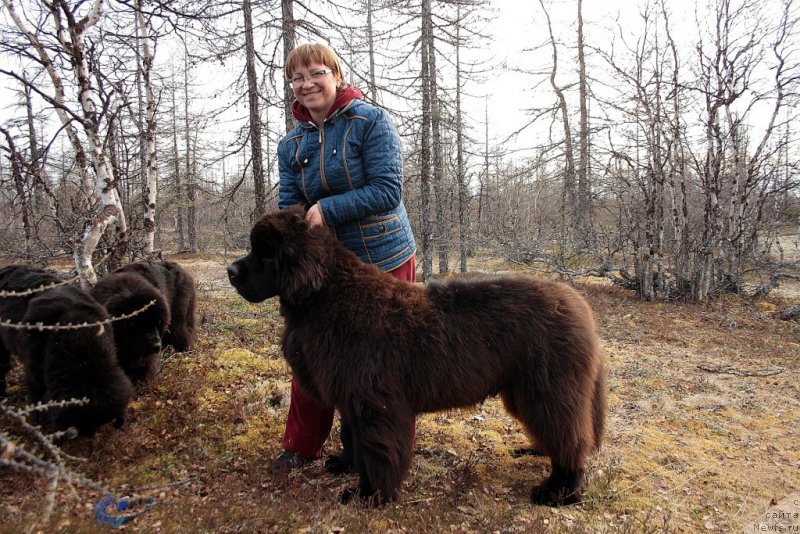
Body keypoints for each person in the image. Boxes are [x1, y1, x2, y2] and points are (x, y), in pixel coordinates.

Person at [271, 43, 417, 474]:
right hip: (325, 271)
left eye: (315, 73)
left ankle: (384, 455)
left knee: (387, 365)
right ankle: (301, 446)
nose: (306, 83)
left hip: (384, 256)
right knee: (311, 353)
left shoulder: (370, 122)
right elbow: (289, 204)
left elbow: (388, 190)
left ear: (336, 74)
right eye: (297, 78)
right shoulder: (290, 143)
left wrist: (327, 210)